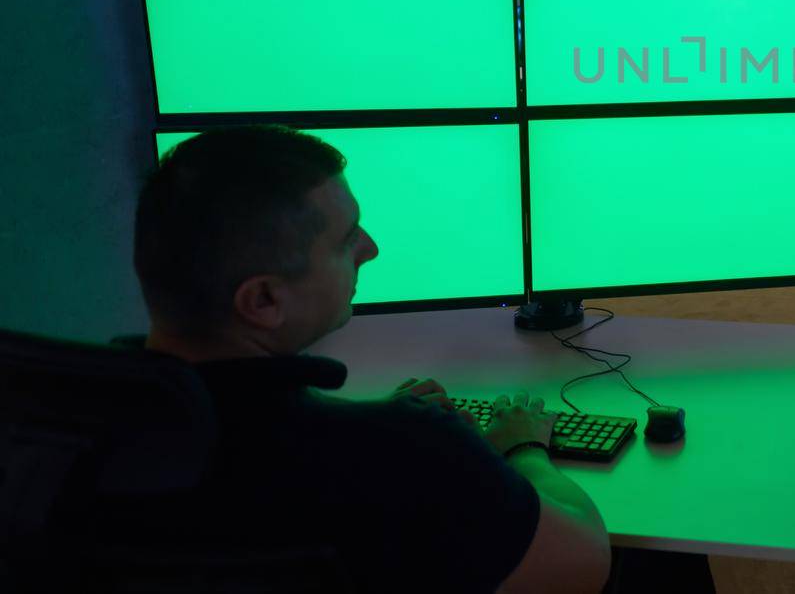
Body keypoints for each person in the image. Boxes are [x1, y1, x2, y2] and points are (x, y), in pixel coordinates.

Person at [121, 126, 612, 594]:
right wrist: (523, 446)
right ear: (265, 301)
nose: (370, 248)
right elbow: (582, 563)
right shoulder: (407, 451)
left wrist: (364, 425)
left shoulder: (70, 420)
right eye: (346, 239)